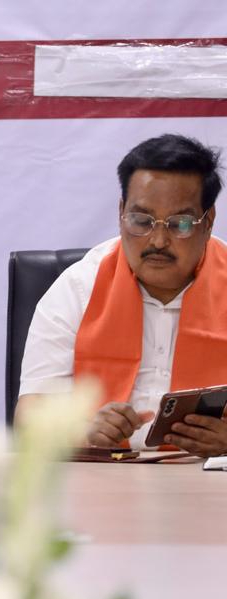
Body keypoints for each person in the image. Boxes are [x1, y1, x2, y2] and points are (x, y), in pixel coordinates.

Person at [17, 134, 226, 454]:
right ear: (121, 212)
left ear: (207, 222)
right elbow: (29, 422)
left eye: (179, 224)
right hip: (102, 482)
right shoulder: (78, 288)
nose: (157, 240)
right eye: (141, 220)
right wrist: (83, 433)